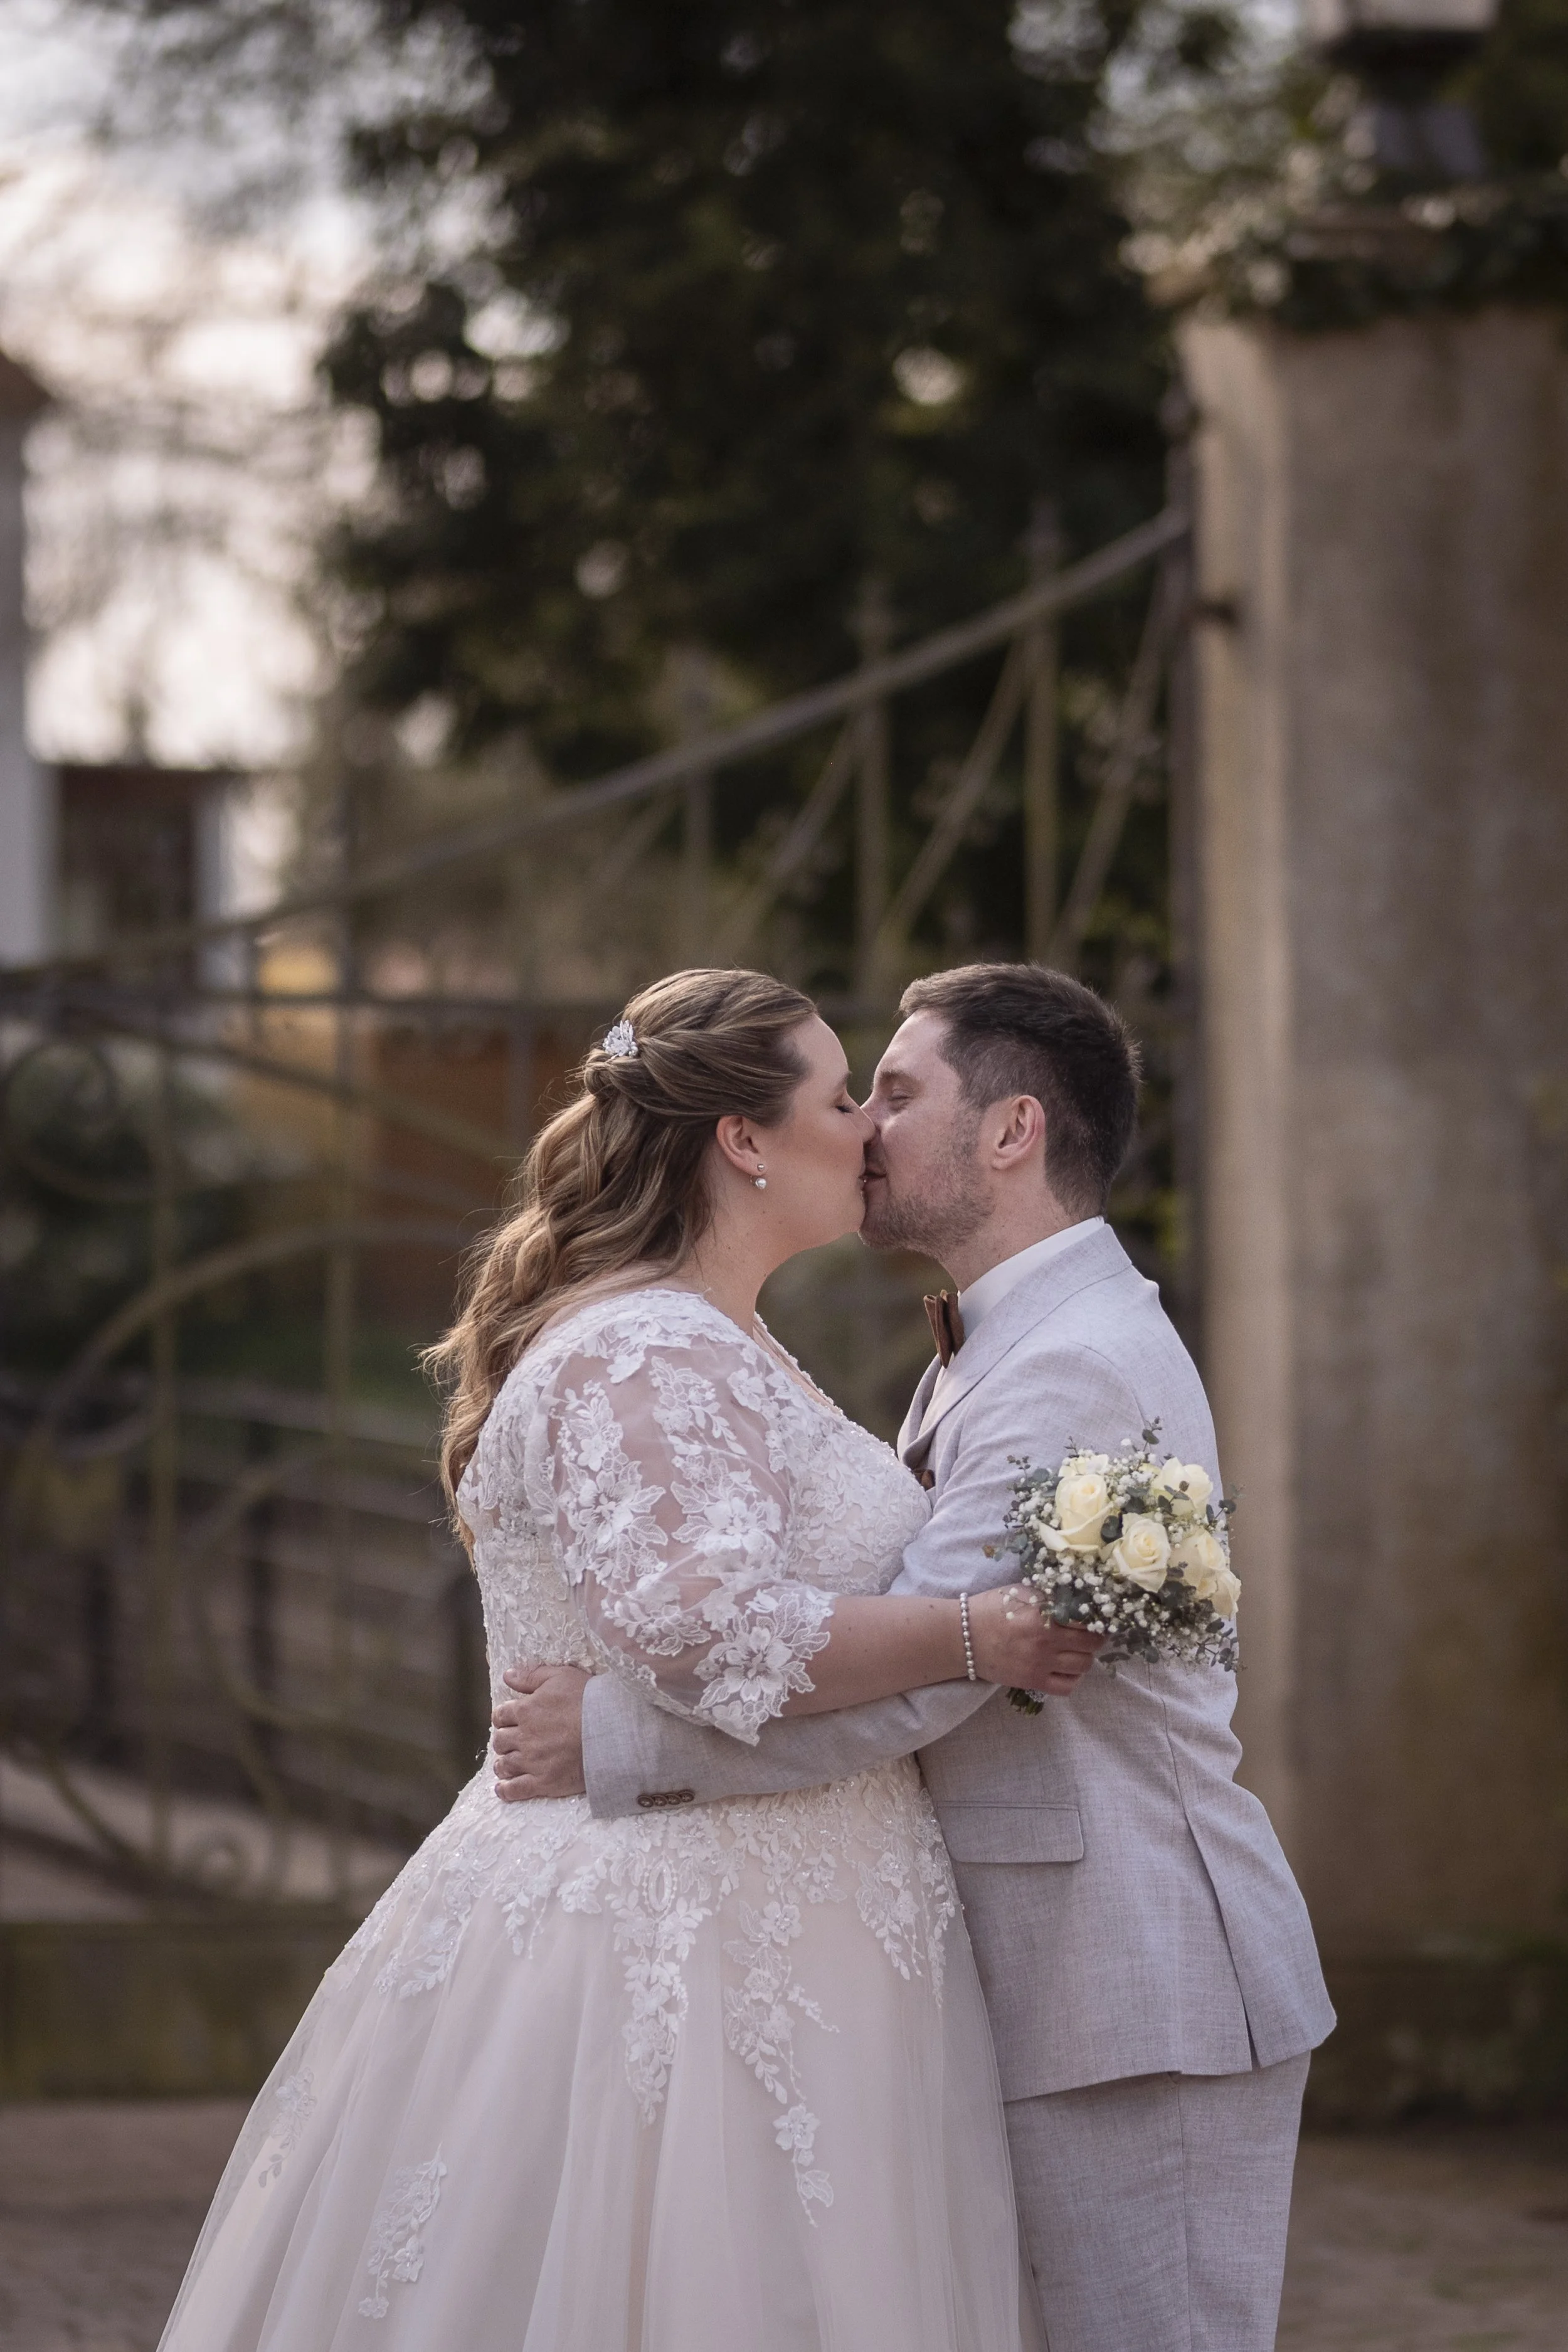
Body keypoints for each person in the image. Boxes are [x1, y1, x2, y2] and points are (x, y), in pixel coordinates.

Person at [156, 966, 1077, 2352]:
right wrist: (976, 1631)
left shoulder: (724, 1340)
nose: (870, 1131)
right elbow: (714, 1637)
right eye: (842, 1099)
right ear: (743, 1141)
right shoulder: (645, 1348)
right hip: (675, 1938)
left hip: (792, 1921)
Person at [495, 961, 1338, 2352]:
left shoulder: (1068, 1361)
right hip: (1053, 1981)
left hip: (1130, 1984)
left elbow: (940, 1676)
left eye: (895, 1090)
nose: (866, 1125)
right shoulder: (996, 1348)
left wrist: (615, 1740)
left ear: (1009, 1132)